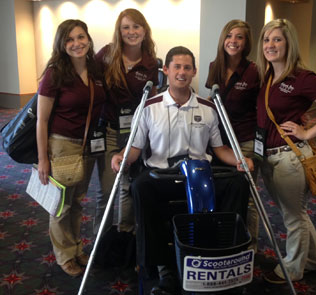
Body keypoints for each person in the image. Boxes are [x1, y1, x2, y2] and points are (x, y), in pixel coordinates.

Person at [111, 46, 253, 294]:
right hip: (162, 176)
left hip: (200, 176)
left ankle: (223, 253)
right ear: (165, 70)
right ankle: (160, 266)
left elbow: (219, 149)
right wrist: (121, 157)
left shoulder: (207, 108)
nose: (182, 72)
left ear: (194, 71)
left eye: (187, 67)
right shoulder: (149, 107)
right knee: (140, 187)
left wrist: (241, 159)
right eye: (176, 66)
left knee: (237, 183)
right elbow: (135, 148)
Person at [255, 19, 316, 284]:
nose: (270, 45)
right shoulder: (269, 75)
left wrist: (307, 132)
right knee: (295, 213)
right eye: (266, 40)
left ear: (289, 43)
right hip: (269, 156)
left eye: (277, 39)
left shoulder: (303, 78)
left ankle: (293, 268)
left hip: (289, 157)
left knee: (294, 217)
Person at [36, 19, 106, 277]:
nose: (76, 43)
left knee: (77, 201)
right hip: (63, 145)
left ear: (88, 39)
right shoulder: (55, 73)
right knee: (62, 204)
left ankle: (76, 248)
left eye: (80, 37)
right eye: (69, 40)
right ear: (62, 45)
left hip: (88, 146)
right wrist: (43, 159)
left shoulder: (95, 68)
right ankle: (64, 254)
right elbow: (42, 121)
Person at [94, 8, 158, 235]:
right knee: (107, 188)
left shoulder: (151, 63)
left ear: (144, 30)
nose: (131, 32)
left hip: (136, 133)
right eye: (126, 27)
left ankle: (126, 236)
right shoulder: (106, 55)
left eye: (136, 26)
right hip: (110, 130)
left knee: (130, 187)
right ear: (119, 32)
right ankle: (102, 239)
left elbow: (151, 100)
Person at [205, 19, 260, 252]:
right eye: (230, 36)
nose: (233, 41)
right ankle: (224, 241)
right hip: (219, 142)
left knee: (248, 196)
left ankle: (250, 247)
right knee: (222, 192)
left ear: (246, 43)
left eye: (239, 37)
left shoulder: (254, 70)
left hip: (244, 141)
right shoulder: (214, 66)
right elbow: (213, 100)